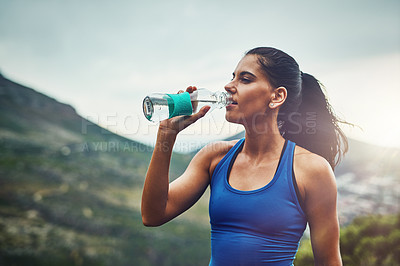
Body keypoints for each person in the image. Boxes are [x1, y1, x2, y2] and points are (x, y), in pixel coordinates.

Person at [141, 47, 347, 265]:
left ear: (277, 96)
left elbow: (329, 262)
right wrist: (167, 133)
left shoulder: (311, 169)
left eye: (245, 79)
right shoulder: (215, 157)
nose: (229, 86)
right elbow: (153, 215)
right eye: (233, 77)